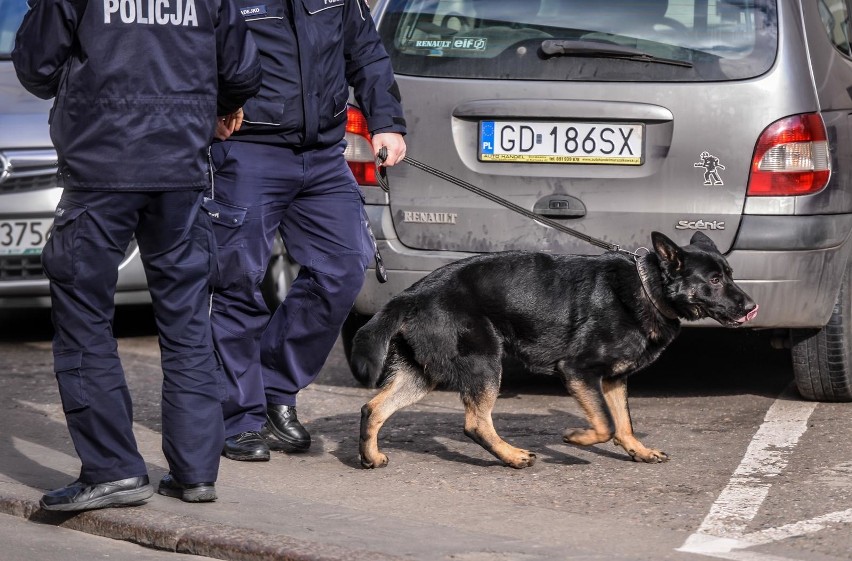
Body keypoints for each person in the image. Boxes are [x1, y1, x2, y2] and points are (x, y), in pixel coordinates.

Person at [12, 0, 261, 509]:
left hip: (101, 171)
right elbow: (241, 71)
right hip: (180, 172)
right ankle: (195, 472)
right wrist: (209, 108)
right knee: (187, 320)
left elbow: (35, 68)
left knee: (84, 320)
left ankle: (113, 470)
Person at [210, 0, 406, 462]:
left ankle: (276, 388)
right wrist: (211, 107)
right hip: (246, 149)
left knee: (342, 269)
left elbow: (366, 52)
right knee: (236, 282)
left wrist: (386, 122)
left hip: (321, 156)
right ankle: (239, 417)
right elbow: (192, 52)